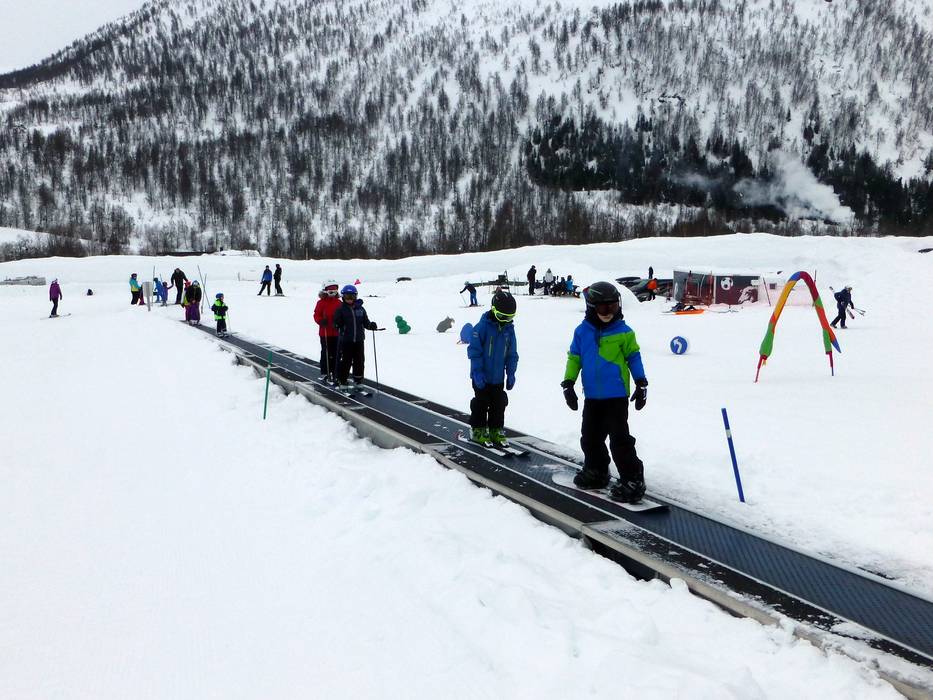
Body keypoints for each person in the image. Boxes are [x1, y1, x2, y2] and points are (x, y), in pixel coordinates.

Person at [560, 281, 648, 503]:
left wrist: (641, 382)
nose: (608, 312)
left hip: (616, 396)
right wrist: (568, 383)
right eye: (602, 307)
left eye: (612, 306)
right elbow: (575, 358)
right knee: (590, 437)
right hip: (592, 397)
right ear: (591, 307)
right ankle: (596, 470)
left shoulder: (624, 332)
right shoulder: (582, 332)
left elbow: (634, 357)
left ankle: (633, 478)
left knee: (620, 440)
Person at [467, 291, 518, 447]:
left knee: (499, 403)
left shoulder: (509, 330)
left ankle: (496, 429)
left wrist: (511, 373)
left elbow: (512, 354)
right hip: (481, 377)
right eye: (502, 317)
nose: (505, 321)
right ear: (493, 310)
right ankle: (478, 429)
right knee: (481, 403)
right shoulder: (482, 327)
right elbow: (474, 352)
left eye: (509, 318)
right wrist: (477, 372)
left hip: (498, 378)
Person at [332, 284, 378, 389]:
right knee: (346, 361)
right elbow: (335, 322)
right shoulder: (341, 309)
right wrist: (337, 324)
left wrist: (371, 325)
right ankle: (342, 380)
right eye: (347, 296)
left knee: (359, 361)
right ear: (343, 297)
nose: (349, 299)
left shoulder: (361, 309)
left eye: (352, 296)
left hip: (359, 340)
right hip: (346, 340)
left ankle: (358, 380)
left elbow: (365, 322)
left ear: (355, 296)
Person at [313, 279, 341, 381]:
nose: (332, 294)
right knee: (326, 352)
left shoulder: (339, 303)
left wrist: (340, 322)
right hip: (325, 332)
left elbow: (343, 315)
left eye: (335, 291)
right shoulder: (321, 303)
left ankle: (335, 371)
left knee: (336, 352)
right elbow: (316, 314)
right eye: (330, 291)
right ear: (325, 291)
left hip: (337, 332)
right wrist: (320, 321)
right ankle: (325, 371)